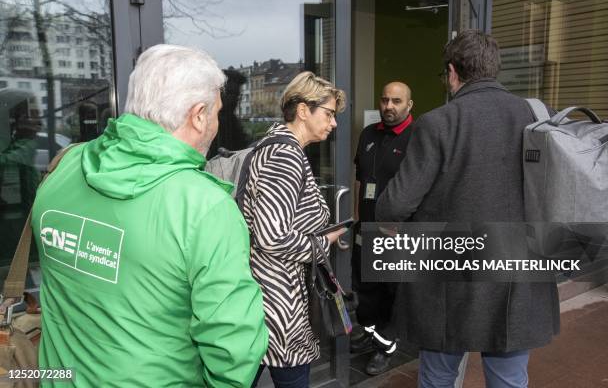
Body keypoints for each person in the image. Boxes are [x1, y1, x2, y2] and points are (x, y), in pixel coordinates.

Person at [32, 44, 268, 387]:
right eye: (217, 112)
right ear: (198, 115)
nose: (218, 121)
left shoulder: (65, 165)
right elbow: (232, 351)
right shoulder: (205, 208)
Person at [376, 30, 560, 388]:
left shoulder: (438, 123)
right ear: (494, 69)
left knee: (439, 377)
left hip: (449, 282)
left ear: (452, 71)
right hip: (519, 275)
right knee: (509, 379)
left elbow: (395, 203)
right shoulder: (541, 118)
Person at [245, 71, 346, 388]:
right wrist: (322, 243)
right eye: (328, 114)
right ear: (303, 110)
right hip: (277, 300)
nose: (334, 123)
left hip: (270, 295)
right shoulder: (285, 156)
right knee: (290, 376)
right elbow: (271, 236)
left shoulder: (277, 148)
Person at [351, 82, 415, 375]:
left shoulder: (418, 138)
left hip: (397, 234)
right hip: (366, 228)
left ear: (409, 105)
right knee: (366, 288)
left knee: (392, 293)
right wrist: (355, 218)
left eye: (396, 101)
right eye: (385, 100)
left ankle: (385, 348)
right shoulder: (368, 134)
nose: (389, 106)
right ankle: (368, 333)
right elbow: (360, 181)